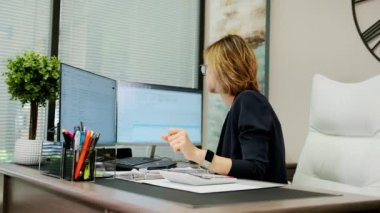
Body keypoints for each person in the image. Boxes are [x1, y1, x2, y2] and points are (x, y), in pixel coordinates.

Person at [161, 34, 287, 183]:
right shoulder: (239, 106)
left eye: (207, 67)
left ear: (223, 68)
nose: (205, 73)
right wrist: (195, 156)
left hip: (258, 202)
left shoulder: (249, 101)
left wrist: (196, 153)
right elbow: (230, 167)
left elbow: (256, 168)